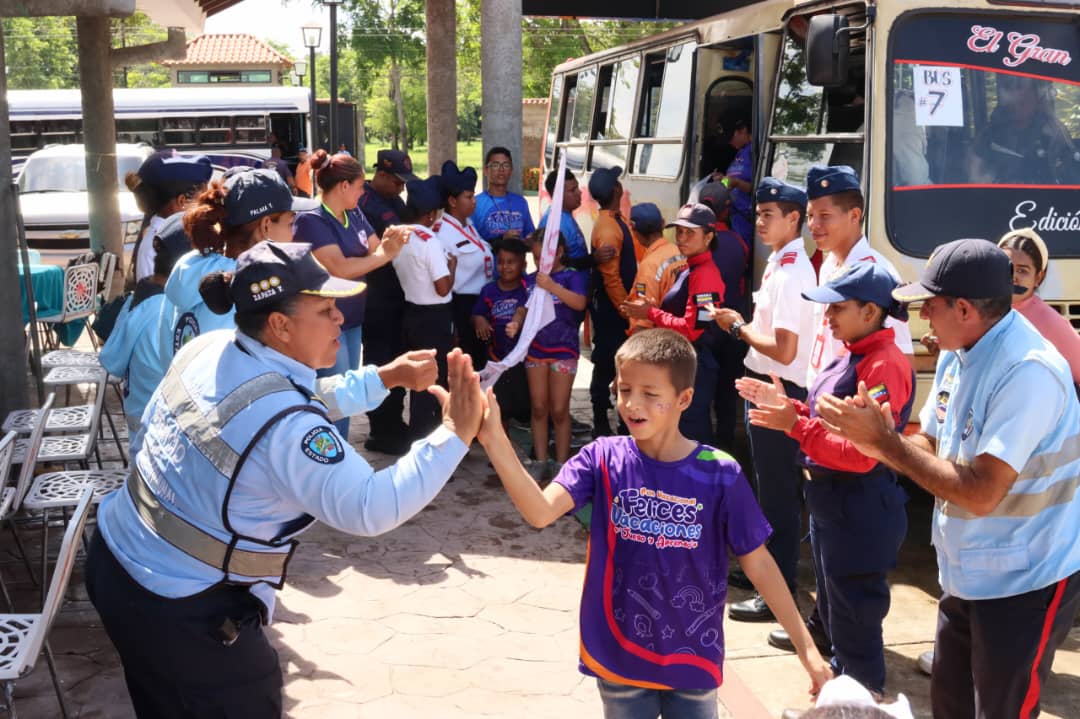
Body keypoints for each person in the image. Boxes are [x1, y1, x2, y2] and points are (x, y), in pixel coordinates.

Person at [85, 240, 484, 718]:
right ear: (279, 324)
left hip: (119, 563)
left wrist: (384, 378)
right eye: (326, 309)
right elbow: (370, 505)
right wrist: (456, 433)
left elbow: (287, 398)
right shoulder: (288, 426)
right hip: (182, 611)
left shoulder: (211, 349)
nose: (341, 318)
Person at [477, 328, 834, 716]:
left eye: (650, 394)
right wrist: (494, 437)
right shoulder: (602, 458)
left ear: (684, 399)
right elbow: (540, 510)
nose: (632, 403)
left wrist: (809, 652)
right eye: (624, 389)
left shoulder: (720, 474)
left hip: (693, 665)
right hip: (620, 662)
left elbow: (760, 564)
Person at [817, 238, 1080, 719]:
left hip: (1026, 579)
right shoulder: (958, 351)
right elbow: (932, 448)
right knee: (950, 705)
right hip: (967, 571)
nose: (921, 318)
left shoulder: (1029, 372)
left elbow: (980, 492)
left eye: (929, 305)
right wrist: (871, 440)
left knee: (1000, 710)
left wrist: (885, 443)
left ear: (963, 309)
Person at [739, 263, 913, 700]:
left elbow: (861, 455)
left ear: (871, 311)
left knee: (855, 625)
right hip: (832, 502)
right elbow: (828, 422)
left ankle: (860, 699)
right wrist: (791, 410)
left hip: (858, 504)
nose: (828, 317)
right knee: (838, 615)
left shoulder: (881, 367)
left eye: (838, 307)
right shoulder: (853, 352)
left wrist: (796, 426)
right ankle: (841, 694)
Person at [710, 178, 817, 623]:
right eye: (758, 214)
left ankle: (780, 589)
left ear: (795, 219)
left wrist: (737, 327)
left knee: (778, 495)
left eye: (769, 215)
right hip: (769, 385)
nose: (760, 222)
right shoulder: (780, 262)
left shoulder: (792, 273)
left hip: (782, 388)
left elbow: (786, 349)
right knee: (767, 487)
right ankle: (764, 573)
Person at [156, 168, 320, 376]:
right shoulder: (258, 285)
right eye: (290, 223)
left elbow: (166, 351)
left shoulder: (187, 267)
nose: (294, 234)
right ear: (266, 226)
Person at [293, 149, 406, 439]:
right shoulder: (312, 220)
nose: (361, 193)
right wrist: (384, 255)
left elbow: (375, 247)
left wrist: (385, 248)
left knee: (345, 390)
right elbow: (341, 268)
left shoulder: (353, 213)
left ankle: (338, 450)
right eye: (358, 187)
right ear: (344, 186)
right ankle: (330, 454)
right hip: (326, 319)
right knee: (336, 394)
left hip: (353, 317)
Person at [623, 204, 725, 447]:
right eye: (679, 232)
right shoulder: (691, 267)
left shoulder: (705, 274)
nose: (682, 238)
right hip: (685, 362)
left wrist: (653, 313)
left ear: (708, 236)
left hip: (697, 364)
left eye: (690, 233)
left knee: (691, 435)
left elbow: (692, 330)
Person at [803, 165, 913, 388]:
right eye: (810, 216)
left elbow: (902, 359)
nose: (814, 225)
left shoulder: (878, 276)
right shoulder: (830, 264)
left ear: (854, 215)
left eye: (824, 216)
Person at [99, 217, 190, 435]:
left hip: (138, 418)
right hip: (159, 427)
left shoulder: (139, 298)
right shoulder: (165, 311)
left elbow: (112, 360)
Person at [509, 230, 588, 480]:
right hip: (536, 352)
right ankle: (540, 460)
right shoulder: (530, 281)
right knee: (539, 408)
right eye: (535, 257)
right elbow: (524, 307)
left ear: (561, 253)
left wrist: (552, 286)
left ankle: (562, 464)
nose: (539, 262)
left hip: (564, 351)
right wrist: (515, 322)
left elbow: (579, 304)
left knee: (559, 410)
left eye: (545, 256)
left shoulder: (572, 277)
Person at [357, 148, 418, 455]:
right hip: (377, 300)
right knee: (379, 363)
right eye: (396, 181)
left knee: (398, 358)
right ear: (380, 175)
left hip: (397, 297)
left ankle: (394, 422)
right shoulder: (365, 204)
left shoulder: (392, 200)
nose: (401, 188)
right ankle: (380, 428)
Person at [393, 176, 455, 439]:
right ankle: (430, 447)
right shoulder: (429, 241)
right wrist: (452, 267)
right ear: (430, 215)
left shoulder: (399, 236)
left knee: (418, 383)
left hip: (411, 313)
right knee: (435, 384)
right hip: (435, 319)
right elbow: (442, 287)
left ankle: (416, 440)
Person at [697, 180, 749, 450]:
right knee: (727, 393)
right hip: (730, 327)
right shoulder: (739, 244)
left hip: (702, 328)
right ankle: (726, 446)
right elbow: (740, 283)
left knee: (701, 392)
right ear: (727, 210)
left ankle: (703, 447)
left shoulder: (696, 242)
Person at [588, 166, 637, 437]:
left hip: (614, 308)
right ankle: (601, 420)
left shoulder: (614, 220)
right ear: (616, 190)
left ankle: (616, 420)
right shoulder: (608, 228)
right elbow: (611, 279)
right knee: (607, 362)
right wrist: (626, 310)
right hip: (611, 310)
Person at [998, 227, 1080, 386]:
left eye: (1022, 271)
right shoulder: (980, 310)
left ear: (1038, 277)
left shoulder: (1051, 322)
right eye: (1007, 268)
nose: (1013, 277)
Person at [436, 160, 494, 372]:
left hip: (480, 304)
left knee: (479, 368)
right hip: (461, 308)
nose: (474, 201)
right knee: (466, 371)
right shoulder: (442, 233)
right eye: (468, 197)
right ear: (452, 201)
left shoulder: (468, 226)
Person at [970, 74, 1080, 185]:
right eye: (1013, 103)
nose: (1016, 106)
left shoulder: (1053, 130)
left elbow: (1070, 169)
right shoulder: (990, 134)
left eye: (1022, 103)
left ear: (1036, 99)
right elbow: (974, 173)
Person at [125, 150, 212, 283]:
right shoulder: (154, 247)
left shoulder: (181, 236)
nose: (203, 207)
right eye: (201, 199)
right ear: (181, 201)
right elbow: (155, 300)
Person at [472, 237, 530, 427]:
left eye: (511, 262)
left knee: (525, 405)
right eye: (501, 262)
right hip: (497, 359)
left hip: (522, 359)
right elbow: (477, 313)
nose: (505, 267)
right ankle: (499, 449)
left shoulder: (527, 290)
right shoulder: (489, 291)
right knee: (499, 407)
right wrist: (480, 320)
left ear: (523, 264)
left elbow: (527, 311)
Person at [624, 202, 686, 335]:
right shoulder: (679, 251)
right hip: (680, 331)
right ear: (662, 224)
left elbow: (643, 319)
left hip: (659, 337)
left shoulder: (649, 266)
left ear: (635, 232)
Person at [471, 146, 536, 244]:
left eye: (506, 165)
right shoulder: (475, 204)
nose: (501, 169)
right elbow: (471, 243)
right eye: (495, 165)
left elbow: (531, 238)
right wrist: (502, 239)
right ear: (485, 170)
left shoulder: (521, 202)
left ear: (511, 171)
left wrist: (530, 240)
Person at [711, 119, 753, 244]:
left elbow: (756, 189)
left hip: (746, 219)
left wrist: (737, 183)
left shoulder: (754, 152)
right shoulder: (740, 152)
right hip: (733, 217)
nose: (730, 142)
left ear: (743, 131)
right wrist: (722, 179)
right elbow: (731, 183)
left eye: (731, 137)